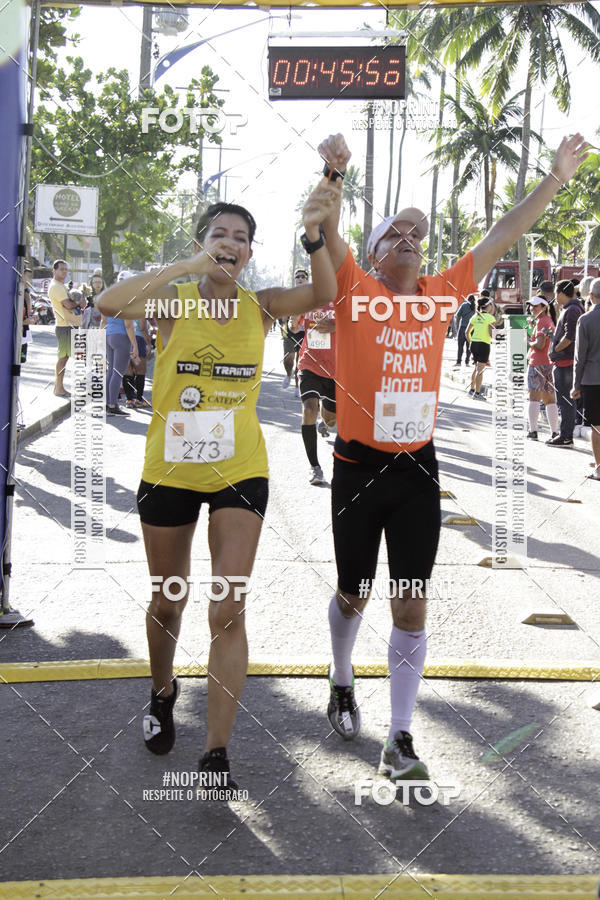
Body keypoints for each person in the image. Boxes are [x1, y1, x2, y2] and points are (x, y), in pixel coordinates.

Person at [315, 131, 588, 782]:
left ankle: (399, 738)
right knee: (353, 594)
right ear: (373, 253)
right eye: (396, 233)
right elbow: (324, 227)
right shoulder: (354, 288)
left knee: (410, 602)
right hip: (357, 467)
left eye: (418, 232)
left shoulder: (442, 292)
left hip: (416, 470)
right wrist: (333, 172)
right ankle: (341, 676)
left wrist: (555, 177)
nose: (410, 238)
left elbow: (502, 231)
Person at [97, 185, 340, 791]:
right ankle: (162, 691)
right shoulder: (174, 301)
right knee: (168, 598)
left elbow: (325, 293)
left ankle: (215, 753)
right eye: (218, 236)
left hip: (240, 471)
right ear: (203, 244)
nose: (230, 244)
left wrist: (315, 236)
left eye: (240, 238)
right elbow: (106, 302)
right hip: (170, 470)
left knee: (228, 606)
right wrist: (184, 267)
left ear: (250, 253)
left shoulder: (262, 306)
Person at [297, 300, 337, 484]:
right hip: (310, 364)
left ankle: (324, 420)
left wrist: (336, 326)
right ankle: (315, 467)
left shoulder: (348, 297)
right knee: (309, 409)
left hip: (338, 369)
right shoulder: (309, 295)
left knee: (330, 419)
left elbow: (362, 326)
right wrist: (294, 320)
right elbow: (294, 324)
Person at [547, 279, 585, 446]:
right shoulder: (569, 309)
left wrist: (556, 349)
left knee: (566, 402)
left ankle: (566, 436)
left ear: (562, 293)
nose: (555, 297)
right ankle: (565, 434)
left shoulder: (572, 309)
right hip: (564, 362)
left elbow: (570, 336)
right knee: (564, 401)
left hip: (566, 363)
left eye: (556, 293)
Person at [571, 277, 600, 479]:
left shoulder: (586, 320)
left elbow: (579, 357)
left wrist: (576, 384)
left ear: (590, 295)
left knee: (596, 426)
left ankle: (599, 467)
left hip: (592, 378)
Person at [103, 271, 140, 417]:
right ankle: (112, 405)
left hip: (109, 335)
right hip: (121, 337)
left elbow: (103, 321)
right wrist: (135, 345)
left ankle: (108, 404)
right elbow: (128, 325)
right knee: (118, 372)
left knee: (111, 371)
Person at [48, 259, 85, 397]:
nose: (64, 272)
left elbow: (76, 303)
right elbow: (68, 305)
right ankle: (58, 387)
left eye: (65, 269)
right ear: (54, 270)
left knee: (65, 357)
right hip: (64, 326)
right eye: (61, 269)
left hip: (69, 326)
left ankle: (59, 387)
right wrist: (79, 302)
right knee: (63, 358)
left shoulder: (61, 286)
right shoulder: (56, 286)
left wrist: (79, 301)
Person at [526, 296, 559, 440]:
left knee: (534, 398)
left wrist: (528, 341)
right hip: (549, 363)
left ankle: (533, 431)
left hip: (537, 363)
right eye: (531, 306)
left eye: (536, 306)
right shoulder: (548, 320)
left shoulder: (542, 321)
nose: (532, 309)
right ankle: (554, 432)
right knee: (549, 399)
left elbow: (539, 345)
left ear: (544, 307)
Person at [281, 269, 307, 390]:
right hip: (290, 332)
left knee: (299, 362)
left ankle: (297, 387)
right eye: (298, 277)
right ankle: (288, 374)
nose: (300, 278)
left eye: (303, 276)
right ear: (295, 279)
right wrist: (283, 321)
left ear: (306, 279)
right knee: (288, 360)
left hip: (304, 333)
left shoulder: (312, 294)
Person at [466, 297, 497, 399]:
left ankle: (471, 390)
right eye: (491, 305)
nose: (491, 306)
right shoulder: (490, 318)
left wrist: (471, 342)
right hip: (484, 344)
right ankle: (477, 393)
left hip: (474, 344)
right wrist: (501, 333)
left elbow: (467, 332)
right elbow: (491, 334)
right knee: (480, 370)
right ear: (488, 306)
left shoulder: (475, 316)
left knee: (476, 368)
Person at [122, 318, 153, 408]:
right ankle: (138, 400)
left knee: (128, 371)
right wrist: (149, 344)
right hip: (138, 339)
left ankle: (129, 400)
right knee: (140, 371)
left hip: (125, 338)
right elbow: (142, 327)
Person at [453, 293, 476, 366]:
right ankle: (467, 362)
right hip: (472, 329)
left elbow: (457, 316)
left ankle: (458, 362)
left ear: (468, 299)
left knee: (460, 346)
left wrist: (456, 326)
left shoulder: (464, 305)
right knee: (469, 346)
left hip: (462, 328)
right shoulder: (476, 307)